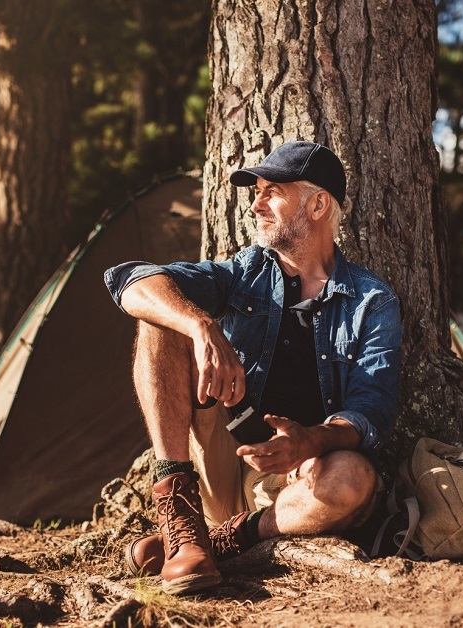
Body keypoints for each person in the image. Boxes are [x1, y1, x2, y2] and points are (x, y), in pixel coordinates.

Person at [103, 140, 401, 595]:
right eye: (255, 191)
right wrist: (201, 325)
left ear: (319, 204)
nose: (256, 204)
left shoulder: (371, 300)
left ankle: (220, 542)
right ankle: (179, 514)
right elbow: (132, 280)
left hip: (299, 484)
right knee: (159, 318)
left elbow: (371, 410)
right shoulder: (247, 272)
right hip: (221, 460)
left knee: (353, 477)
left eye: (271, 192)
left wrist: (311, 441)